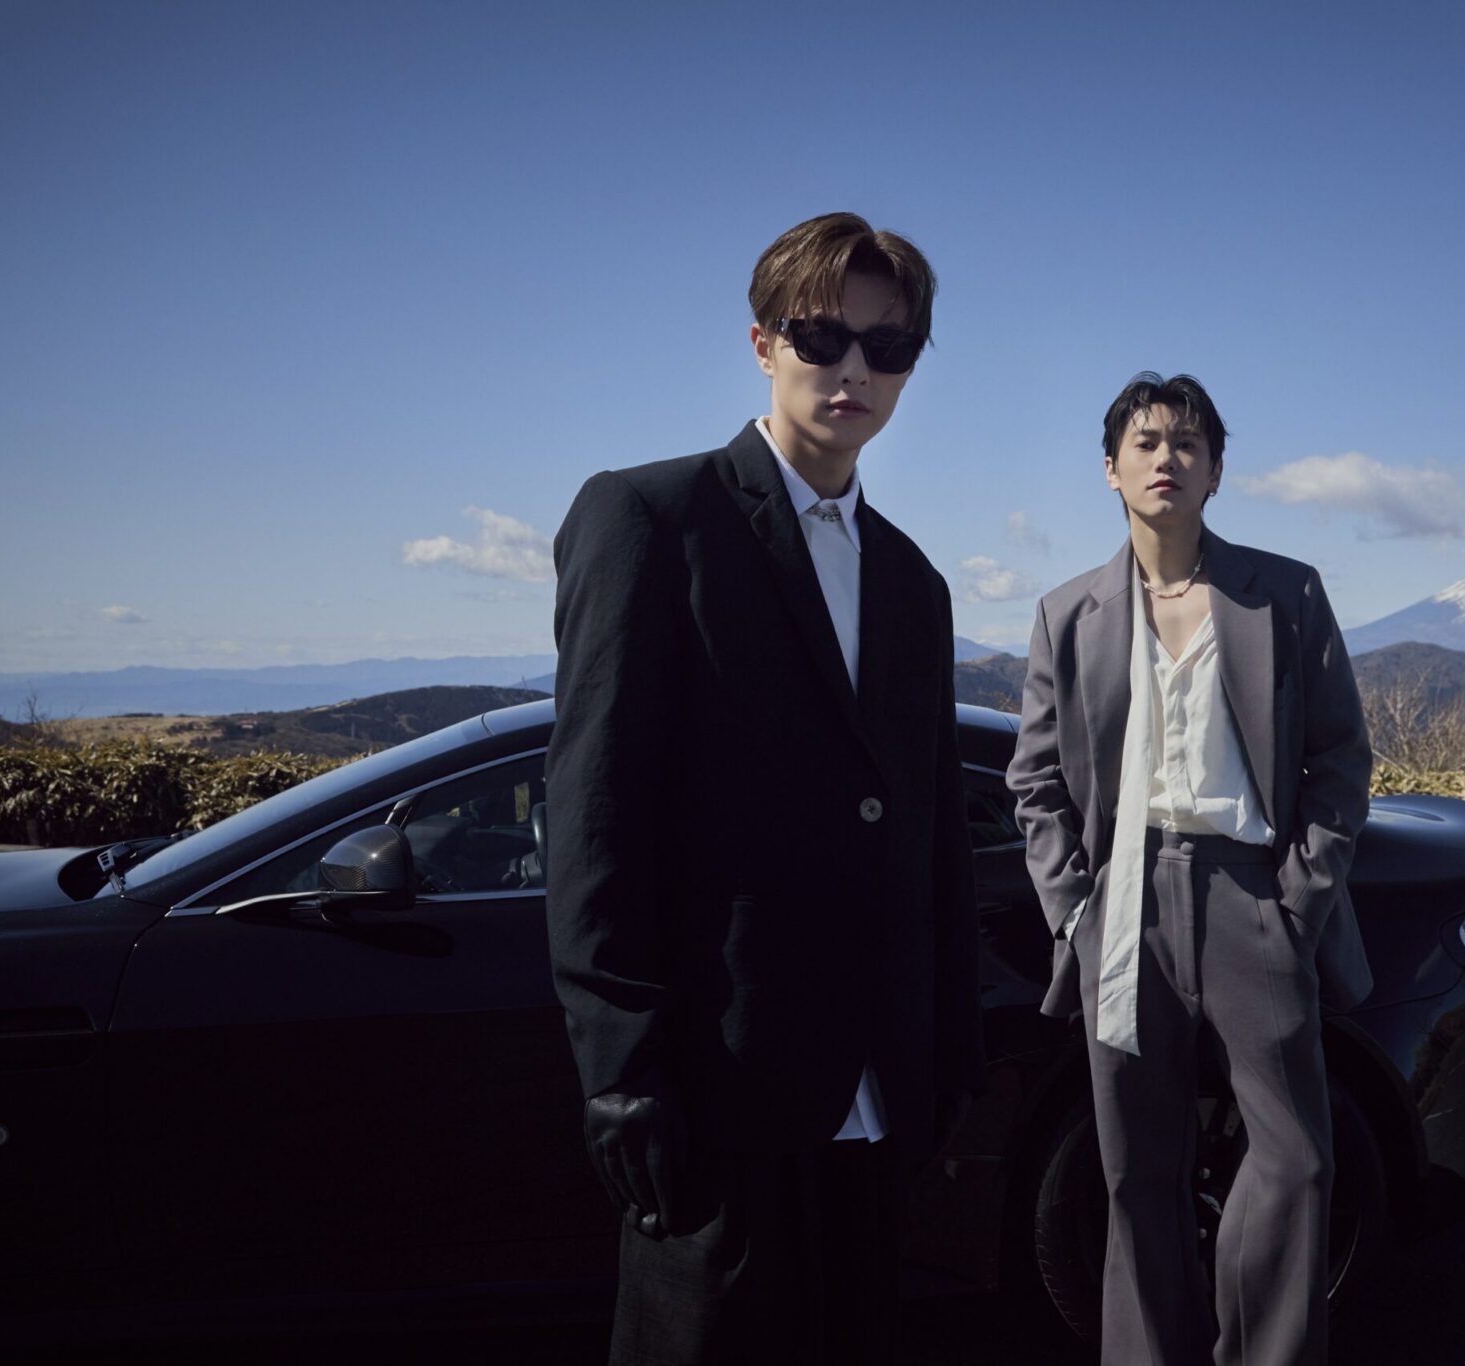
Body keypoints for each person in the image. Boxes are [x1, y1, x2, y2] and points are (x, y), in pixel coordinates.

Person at [546, 211, 984, 1365]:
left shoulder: (913, 580)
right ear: (761, 343)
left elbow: (929, 829)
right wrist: (621, 1072)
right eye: (822, 336)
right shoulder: (650, 519)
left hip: (877, 1097)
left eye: (887, 347)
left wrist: (945, 1054)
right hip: (716, 1088)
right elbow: (594, 819)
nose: (853, 370)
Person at [1005, 373, 1374, 1365]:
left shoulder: (1284, 593)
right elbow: (1033, 780)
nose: (1165, 457)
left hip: (1252, 895)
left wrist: (1297, 901)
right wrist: (1073, 911)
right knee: (1135, 1170)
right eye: (1144, 441)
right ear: (1111, 468)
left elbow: (1340, 761)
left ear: (1215, 470)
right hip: (1121, 903)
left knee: (1297, 1161)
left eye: (1186, 442)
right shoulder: (1067, 613)